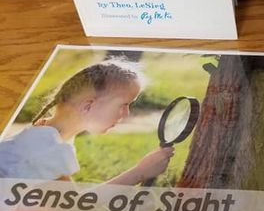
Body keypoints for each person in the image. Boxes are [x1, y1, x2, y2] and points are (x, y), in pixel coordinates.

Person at [0, 60, 173, 183]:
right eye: (123, 105)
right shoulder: (51, 148)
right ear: (88, 106)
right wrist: (140, 172)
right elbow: (76, 206)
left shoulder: (44, 130)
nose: (126, 114)